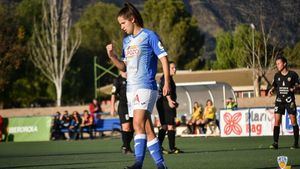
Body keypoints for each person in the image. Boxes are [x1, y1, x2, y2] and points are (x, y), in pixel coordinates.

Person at [106, 2, 170, 169]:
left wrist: (167, 81)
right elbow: (123, 67)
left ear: (132, 19)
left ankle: (138, 164)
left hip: (146, 86)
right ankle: (161, 166)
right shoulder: (126, 41)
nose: (121, 27)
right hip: (131, 89)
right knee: (147, 129)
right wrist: (112, 56)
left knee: (137, 125)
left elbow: (163, 58)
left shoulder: (149, 36)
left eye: (123, 23)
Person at [268, 56, 299, 149]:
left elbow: (298, 85)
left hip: (289, 101)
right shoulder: (277, 75)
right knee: (277, 121)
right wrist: (271, 90)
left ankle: (296, 143)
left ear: (284, 63)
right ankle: (275, 143)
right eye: (276, 64)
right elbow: (274, 86)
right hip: (279, 101)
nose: (277, 65)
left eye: (279, 63)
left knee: (293, 121)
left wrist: (294, 88)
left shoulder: (293, 74)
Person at [156, 61, 183, 154]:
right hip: (164, 103)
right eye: (172, 68)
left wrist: (174, 102)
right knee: (170, 126)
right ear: (166, 69)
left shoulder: (169, 78)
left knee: (165, 126)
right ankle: (172, 148)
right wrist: (169, 101)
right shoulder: (166, 78)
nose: (175, 69)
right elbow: (165, 91)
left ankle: (158, 147)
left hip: (164, 103)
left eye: (175, 68)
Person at [111, 70, 134, 154]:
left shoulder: (132, 78)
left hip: (133, 106)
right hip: (123, 106)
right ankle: (126, 147)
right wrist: (112, 107)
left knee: (133, 128)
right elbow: (113, 94)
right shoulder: (117, 80)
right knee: (126, 127)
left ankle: (126, 145)